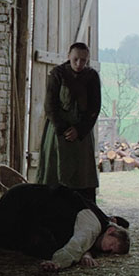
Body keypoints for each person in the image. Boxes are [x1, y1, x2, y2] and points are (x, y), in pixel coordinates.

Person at [0, 183, 130, 272]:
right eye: (113, 246)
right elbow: (76, 245)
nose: (109, 251)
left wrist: (88, 253)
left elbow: (85, 241)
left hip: (23, 198)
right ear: (111, 231)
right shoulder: (94, 224)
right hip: (22, 204)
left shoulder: (97, 220)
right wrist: (57, 263)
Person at [36, 42, 101, 203]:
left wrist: (79, 130)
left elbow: (95, 106)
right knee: (55, 169)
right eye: (76, 59)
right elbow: (50, 105)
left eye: (83, 60)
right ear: (69, 57)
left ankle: (83, 208)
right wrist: (64, 128)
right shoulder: (57, 74)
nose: (79, 64)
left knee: (82, 171)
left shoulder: (92, 76)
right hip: (59, 131)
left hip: (81, 133)